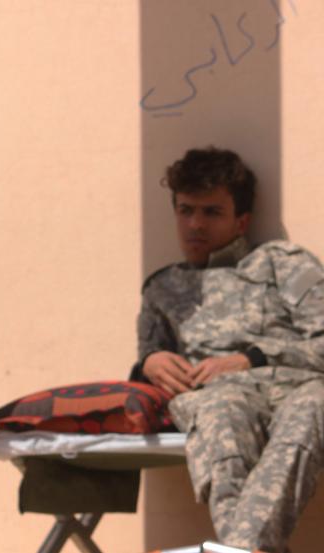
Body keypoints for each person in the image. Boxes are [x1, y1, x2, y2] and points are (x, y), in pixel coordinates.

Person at [131, 147, 324, 552]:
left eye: (212, 212)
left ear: (242, 221)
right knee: (221, 415)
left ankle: (238, 548)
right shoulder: (162, 288)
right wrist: (150, 362)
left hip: (299, 387)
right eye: (185, 210)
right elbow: (149, 355)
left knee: (314, 406)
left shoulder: (281, 263)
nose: (194, 224)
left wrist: (254, 357)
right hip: (219, 398)